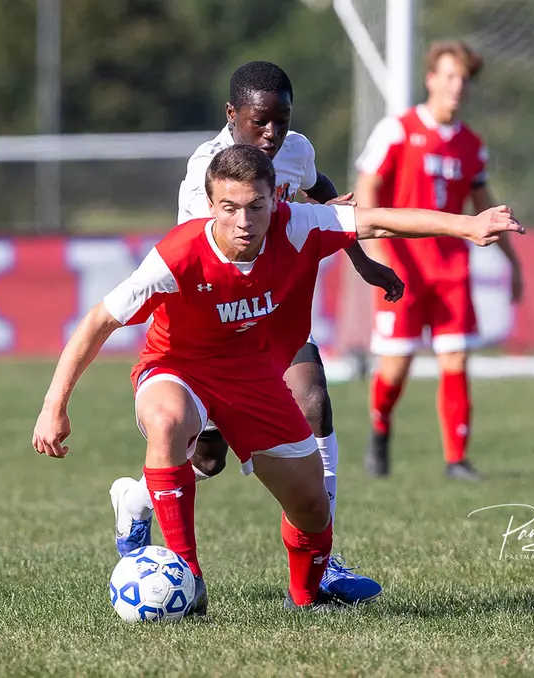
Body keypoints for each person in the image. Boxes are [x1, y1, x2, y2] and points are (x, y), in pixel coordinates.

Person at [32, 144, 523, 612]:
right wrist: (55, 405)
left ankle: (306, 597)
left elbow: (377, 221)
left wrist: (467, 225)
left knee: (311, 505)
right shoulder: (177, 257)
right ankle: (189, 577)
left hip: (255, 379)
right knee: (167, 421)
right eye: (229, 208)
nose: (243, 221)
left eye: (256, 206)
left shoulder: (300, 223)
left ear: (275, 200)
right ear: (210, 205)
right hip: (177, 368)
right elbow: (97, 321)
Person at [109, 61, 402, 605]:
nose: (272, 134)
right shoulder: (208, 168)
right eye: (260, 121)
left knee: (313, 400)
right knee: (205, 458)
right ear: (232, 116)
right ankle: (137, 503)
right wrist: (307, 216)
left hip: (274, 316)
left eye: (282, 121)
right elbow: (235, 235)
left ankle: (324, 559)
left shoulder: (296, 149)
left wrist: (358, 258)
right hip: (214, 330)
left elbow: (323, 191)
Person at [354, 40, 524, 481]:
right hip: (402, 265)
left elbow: (485, 203)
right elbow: (367, 187)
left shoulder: (471, 145)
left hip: (450, 269)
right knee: (397, 364)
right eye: (448, 76)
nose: (456, 86)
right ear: (431, 79)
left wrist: (514, 263)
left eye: (463, 79)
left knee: (456, 360)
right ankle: (379, 430)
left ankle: (456, 460)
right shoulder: (398, 129)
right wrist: (377, 250)